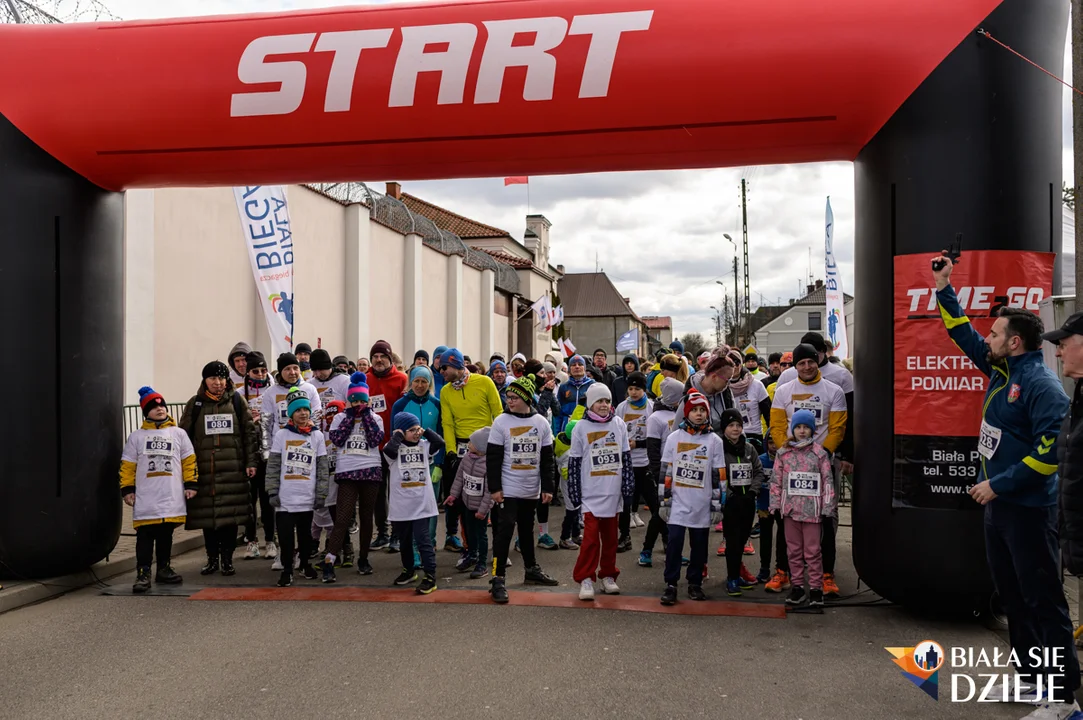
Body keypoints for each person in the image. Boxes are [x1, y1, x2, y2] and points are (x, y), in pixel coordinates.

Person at [934, 255, 1079, 709]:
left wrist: (1000, 484)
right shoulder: (1003, 368)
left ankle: (1063, 697)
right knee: (1013, 596)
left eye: (995, 334)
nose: (987, 339)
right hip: (1000, 510)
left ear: (1014, 342)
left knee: (1043, 600)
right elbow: (961, 333)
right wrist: (943, 286)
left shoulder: (1041, 385)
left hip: (1028, 510)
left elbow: (1049, 452)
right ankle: (1032, 678)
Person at [769, 343, 847, 595]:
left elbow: (837, 429)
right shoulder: (783, 391)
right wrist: (790, 455)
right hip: (790, 466)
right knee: (786, 518)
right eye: (801, 363)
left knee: (825, 519)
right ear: (795, 366)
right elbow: (778, 427)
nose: (806, 366)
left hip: (821, 464)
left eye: (810, 361)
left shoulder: (834, 391)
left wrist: (818, 455)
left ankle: (826, 576)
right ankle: (783, 572)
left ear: (818, 361)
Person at [180, 361, 260, 577]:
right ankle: (211, 558)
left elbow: (249, 434)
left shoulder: (236, 401)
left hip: (233, 470)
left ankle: (227, 559)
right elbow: (183, 437)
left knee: (230, 517)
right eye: (213, 378)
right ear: (204, 380)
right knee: (208, 519)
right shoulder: (195, 404)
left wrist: (251, 462)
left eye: (222, 378)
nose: (218, 383)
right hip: (205, 471)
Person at [486, 375, 560, 603]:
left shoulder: (541, 423)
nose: (509, 401)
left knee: (527, 529)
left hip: (530, 488)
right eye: (507, 397)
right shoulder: (501, 422)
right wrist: (495, 488)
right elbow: (493, 458)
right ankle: (497, 578)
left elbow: (548, 459)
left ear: (527, 398)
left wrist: (548, 487)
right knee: (505, 530)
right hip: (508, 488)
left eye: (514, 397)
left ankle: (531, 569)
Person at [121, 386, 197, 593]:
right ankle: (143, 572)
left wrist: (190, 484)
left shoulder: (178, 433)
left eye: (162, 405)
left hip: (170, 494)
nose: (160, 409)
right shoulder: (136, 437)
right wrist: (127, 489)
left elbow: (189, 460)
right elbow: (128, 465)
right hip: (147, 496)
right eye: (154, 407)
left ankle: (163, 568)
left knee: (166, 534)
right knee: (145, 534)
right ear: (146, 412)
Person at [568, 383, 633, 601]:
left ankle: (608, 575)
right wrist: (574, 492)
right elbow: (575, 462)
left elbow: (625, 458)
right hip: (590, 493)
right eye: (599, 401)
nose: (604, 405)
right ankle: (585, 578)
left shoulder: (619, 424)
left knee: (610, 538)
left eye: (606, 401)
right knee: (590, 540)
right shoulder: (580, 428)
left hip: (613, 492)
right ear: (590, 404)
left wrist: (627, 486)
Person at [658, 391, 725, 605]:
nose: (698, 414)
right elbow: (666, 472)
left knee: (699, 546)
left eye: (702, 410)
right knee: (674, 544)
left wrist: (717, 505)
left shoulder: (715, 440)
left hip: (702, 503)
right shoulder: (674, 438)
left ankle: (695, 583)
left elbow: (719, 474)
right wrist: (664, 501)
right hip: (678, 502)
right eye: (694, 410)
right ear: (687, 413)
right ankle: (671, 584)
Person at [439, 348, 503, 559]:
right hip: (462, 449)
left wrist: (497, 445)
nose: (441, 372)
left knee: (493, 499)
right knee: (466, 501)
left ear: (457, 365)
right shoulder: (445, 391)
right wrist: (450, 451)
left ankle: (498, 550)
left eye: (444, 368)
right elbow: (447, 422)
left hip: (488, 446)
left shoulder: (485, 382)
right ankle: (470, 549)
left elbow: (499, 414)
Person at [321, 372, 384, 580]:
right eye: (354, 400)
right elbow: (336, 439)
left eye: (362, 400)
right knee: (343, 517)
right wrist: (350, 417)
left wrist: (365, 416)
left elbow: (376, 439)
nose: (358, 404)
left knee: (367, 518)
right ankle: (330, 558)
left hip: (370, 470)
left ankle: (364, 558)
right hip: (347, 471)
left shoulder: (376, 418)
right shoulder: (340, 417)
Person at [769, 409, 835, 608]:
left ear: (813, 430)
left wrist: (827, 507)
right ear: (793, 429)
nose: (802, 431)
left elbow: (827, 482)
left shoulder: (819, 454)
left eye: (806, 427)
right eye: (798, 427)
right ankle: (797, 586)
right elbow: (776, 481)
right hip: (790, 511)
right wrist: (775, 504)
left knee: (813, 551)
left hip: (813, 512)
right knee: (793, 551)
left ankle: (815, 588)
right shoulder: (783, 453)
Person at [266, 386, 329, 587]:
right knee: (285, 538)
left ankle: (305, 565)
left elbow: (322, 468)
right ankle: (286, 569)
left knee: (305, 536)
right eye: (298, 410)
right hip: (285, 499)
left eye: (306, 409)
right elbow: (274, 465)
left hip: (306, 497)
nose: (303, 413)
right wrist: (272, 490)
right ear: (291, 413)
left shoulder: (317, 436)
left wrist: (321, 494)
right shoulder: (281, 435)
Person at [383, 412, 445, 594]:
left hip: (422, 505)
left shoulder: (425, 446)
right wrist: (399, 435)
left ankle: (430, 576)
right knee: (404, 541)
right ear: (400, 432)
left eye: (417, 429)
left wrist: (424, 431)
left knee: (423, 540)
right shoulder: (392, 447)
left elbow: (439, 443)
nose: (416, 433)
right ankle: (408, 570)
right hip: (401, 505)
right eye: (412, 430)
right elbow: (388, 452)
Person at [392, 365, 443, 556]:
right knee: (411, 507)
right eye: (416, 381)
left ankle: (428, 545)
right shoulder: (400, 404)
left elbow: (441, 432)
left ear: (429, 383)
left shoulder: (436, 403)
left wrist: (439, 463)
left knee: (429, 507)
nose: (420, 385)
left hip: (430, 462)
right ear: (410, 382)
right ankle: (413, 549)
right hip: (407, 464)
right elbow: (394, 435)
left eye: (424, 381)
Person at [366, 340, 409, 551]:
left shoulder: (402, 379)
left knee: (397, 491)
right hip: (373, 446)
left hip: (396, 444)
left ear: (390, 358)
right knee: (377, 491)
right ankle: (381, 532)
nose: (379, 360)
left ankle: (397, 534)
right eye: (375, 356)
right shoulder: (365, 380)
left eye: (383, 356)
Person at [718, 409, 765, 596]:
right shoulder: (720, 448)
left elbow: (758, 471)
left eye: (738, 425)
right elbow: (718, 474)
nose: (736, 429)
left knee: (743, 539)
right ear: (724, 428)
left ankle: (737, 575)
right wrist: (730, 494)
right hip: (731, 503)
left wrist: (753, 491)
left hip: (748, 501)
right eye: (731, 426)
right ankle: (731, 578)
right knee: (733, 542)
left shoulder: (749, 448)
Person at [640, 378, 684, 567]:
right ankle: (646, 551)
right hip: (662, 473)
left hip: (680, 470)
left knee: (676, 515)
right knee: (660, 513)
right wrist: (658, 473)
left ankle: (672, 551)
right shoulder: (655, 418)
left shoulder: (681, 413)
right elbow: (653, 449)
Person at [444, 427, 495, 579]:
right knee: (469, 532)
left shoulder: (490, 465)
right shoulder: (466, 458)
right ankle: (472, 555)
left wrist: (483, 510)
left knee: (481, 535)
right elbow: (459, 478)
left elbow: (489, 491)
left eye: (471, 442)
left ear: (481, 446)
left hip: (480, 508)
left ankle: (481, 563)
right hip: (467, 504)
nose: (468, 444)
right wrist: (453, 495)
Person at [240, 351, 276, 561]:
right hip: (248, 452)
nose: (261, 374)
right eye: (256, 370)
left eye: (263, 370)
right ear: (248, 371)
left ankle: (270, 540)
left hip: (268, 452)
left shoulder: (273, 391)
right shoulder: (239, 393)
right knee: (248, 498)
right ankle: (251, 540)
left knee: (267, 498)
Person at [615, 371, 651, 551]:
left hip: (645, 461)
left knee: (654, 502)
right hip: (627, 461)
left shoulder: (651, 407)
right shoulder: (622, 407)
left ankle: (665, 538)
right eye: (630, 388)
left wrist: (638, 443)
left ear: (644, 389)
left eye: (637, 389)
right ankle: (625, 536)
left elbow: (654, 437)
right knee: (626, 501)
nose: (634, 392)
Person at [312, 400, 347, 563]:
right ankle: (330, 548)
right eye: (329, 414)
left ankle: (347, 550)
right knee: (327, 517)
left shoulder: (347, 430)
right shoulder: (321, 433)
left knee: (343, 518)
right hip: (328, 483)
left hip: (344, 483)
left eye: (336, 414)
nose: (332, 418)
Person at [675, 346, 737, 432]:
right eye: (727, 380)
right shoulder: (690, 396)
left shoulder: (726, 393)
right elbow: (676, 431)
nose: (729, 384)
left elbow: (736, 422)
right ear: (714, 377)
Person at [758, 434, 790, 589]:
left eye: (776, 442)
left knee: (783, 537)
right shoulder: (760, 460)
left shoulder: (787, 459)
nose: (773, 445)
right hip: (764, 505)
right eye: (770, 442)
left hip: (782, 505)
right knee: (765, 537)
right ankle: (764, 568)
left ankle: (781, 568)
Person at [729, 357, 771, 454]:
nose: (734, 366)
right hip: (731, 436)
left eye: (737, 362)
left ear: (742, 364)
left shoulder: (756, 385)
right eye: (730, 363)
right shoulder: (722, 386)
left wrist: (771, 438)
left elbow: (768, 413)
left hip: (754, 435)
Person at [554, 418, 581, 550]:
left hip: (574, 484)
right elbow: (565, 472)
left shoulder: (562, 443)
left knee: (576, 509)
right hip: (570, 485)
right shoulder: (569, 454)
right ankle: (565, 537)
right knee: (572, 511)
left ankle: (576, 534)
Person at [555, 355, 595, 433]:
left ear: (585, 368)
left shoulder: (592, 385)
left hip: (587, 425)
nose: (577, 367)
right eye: (573, 365)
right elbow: (558, 412)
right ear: (570, 369)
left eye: (580, 364)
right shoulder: (564, 387)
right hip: (568, 427)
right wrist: (557, 432)